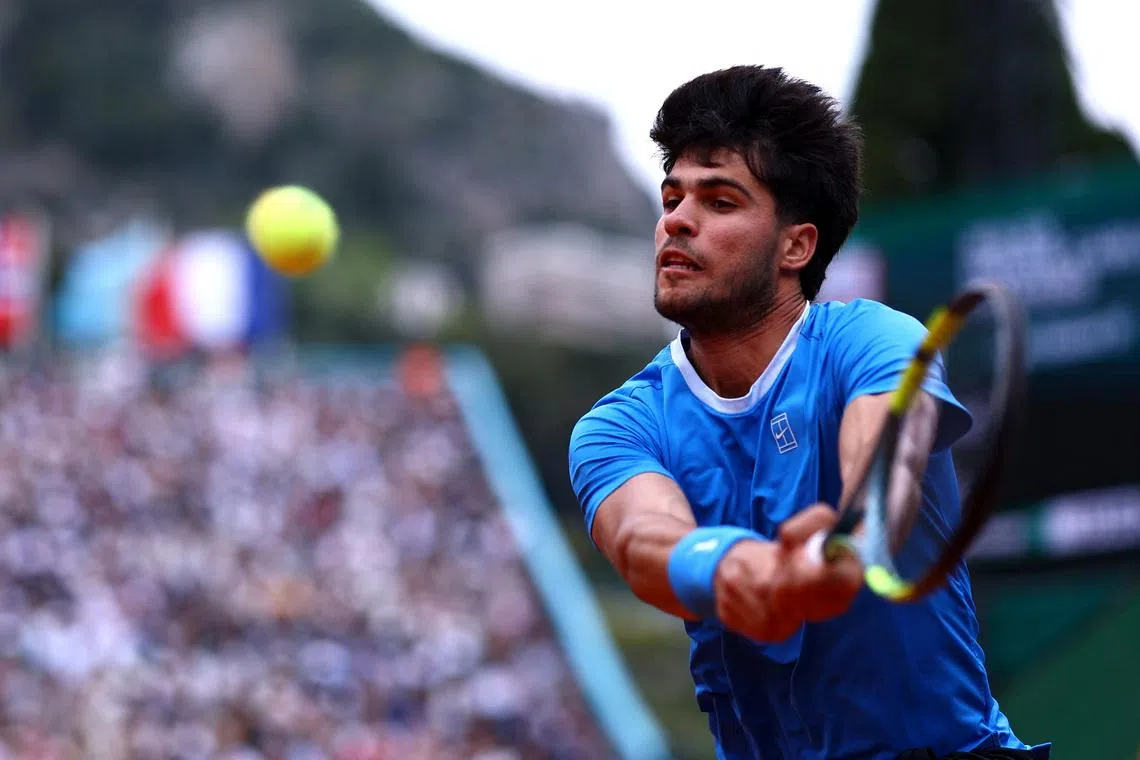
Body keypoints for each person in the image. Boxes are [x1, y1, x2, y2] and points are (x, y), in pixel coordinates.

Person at [567, 66, 1050, 760]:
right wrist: (738, 570)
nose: (676, 218)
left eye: (720, 201)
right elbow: (642, 539)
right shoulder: (619, 425)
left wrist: (851, 537)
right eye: (672, 197)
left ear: (797, 244)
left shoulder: (873, 339)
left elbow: (887, 452)